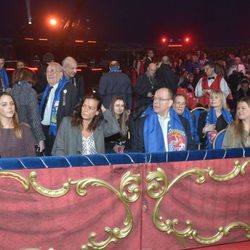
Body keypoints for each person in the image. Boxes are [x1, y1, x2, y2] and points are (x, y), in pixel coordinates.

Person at [52, 94, 120, 155]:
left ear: (97, 112)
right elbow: (58, 149)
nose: (85, 110)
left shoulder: (99, 127)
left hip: (96, 167)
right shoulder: (67, 122)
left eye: (90, 108)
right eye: (84, 106)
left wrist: (104, 110)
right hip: (74, 167)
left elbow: (115, 128)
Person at [131, 87, 194, 153]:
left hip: (178, 162)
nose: (155, 102)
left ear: (170, 103)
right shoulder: (141, 123)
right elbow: (138, 152)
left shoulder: (183, 122)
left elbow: (190, 148)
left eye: (160, 99)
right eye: (154, 98)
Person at [39, 62, 78, 155]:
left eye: (52, 71)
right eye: (47, 71)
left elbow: (71, 112)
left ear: (60, 74)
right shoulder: (47, 89)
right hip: (45, 129)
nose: (49, 74)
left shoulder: (69, 88)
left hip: (59, 130)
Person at [11, 68, 45, 153]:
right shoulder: (30, 92)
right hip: (28, 135)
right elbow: (34, 118)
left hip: (14, 134)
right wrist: (40, 139)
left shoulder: (11, 91)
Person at [0, 93, 36, 157]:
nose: (10, 107)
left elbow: (31, 158)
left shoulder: (25, 129)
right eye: (4, 105)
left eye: (12, 103)